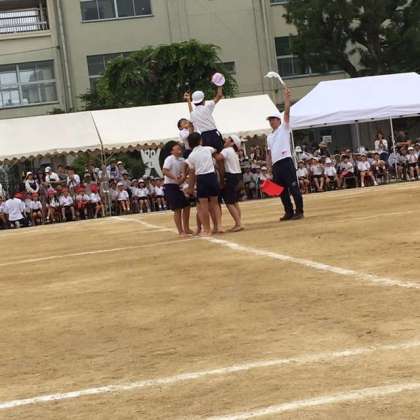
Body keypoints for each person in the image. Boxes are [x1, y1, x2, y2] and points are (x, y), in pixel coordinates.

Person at [266, 87, 304, 221]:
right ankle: (288, 211)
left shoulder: (284, 128)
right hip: (276, 165)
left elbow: (287, 113)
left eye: (273, 119)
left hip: (286, 161)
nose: (271, 122)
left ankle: (299, 211)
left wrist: (287, 99)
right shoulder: (269, 136)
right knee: (281, 191)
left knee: (293, 188)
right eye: (270, 120)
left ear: (279, 120)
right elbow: (269, 153)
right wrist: (269, 168)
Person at [186, 132, 222, 236]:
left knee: (204, 206)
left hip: (201, 178)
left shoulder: (191, 156)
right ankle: (219, 226)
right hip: (212, 176)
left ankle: (207, 229)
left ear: (189, 144)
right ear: (201, 140)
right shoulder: (208, 149)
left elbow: (192, 172)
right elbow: (216, 153)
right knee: (215, 204)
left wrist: (190, 187)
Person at [162, 143, 193, 236]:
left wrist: (184, 175)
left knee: (187, 206)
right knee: (177, 209)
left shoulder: (182, 160)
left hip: (177, 186)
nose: (179, 149)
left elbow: (184, 173)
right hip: (169, 186)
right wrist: (175, 177)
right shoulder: (169, 158)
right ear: (172, 151)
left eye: (180, 148)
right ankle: (181, 231)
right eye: (177, 148)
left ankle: (186, 228)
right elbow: (165, 170)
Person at [185, 86, 224, 152]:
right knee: (220, 153)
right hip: (214, 133)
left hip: (203, 137)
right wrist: (220, 85)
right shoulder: (207, 107)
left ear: (194, 102)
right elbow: (219, 95)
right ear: (203, 100)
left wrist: (188, 100)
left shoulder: (193, 114)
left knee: (209, 155)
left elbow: (191, 112)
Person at [218, 135, 244, 232]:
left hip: (231, 176)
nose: (225, 140)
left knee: (229, 202)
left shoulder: (227, 150)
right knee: (235, 201)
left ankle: (238, 223)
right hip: (238, 176)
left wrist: (212, 152)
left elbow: (218, 158)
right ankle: (238, 222)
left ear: (232, 142)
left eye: (228, 139)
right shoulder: (233, 152)